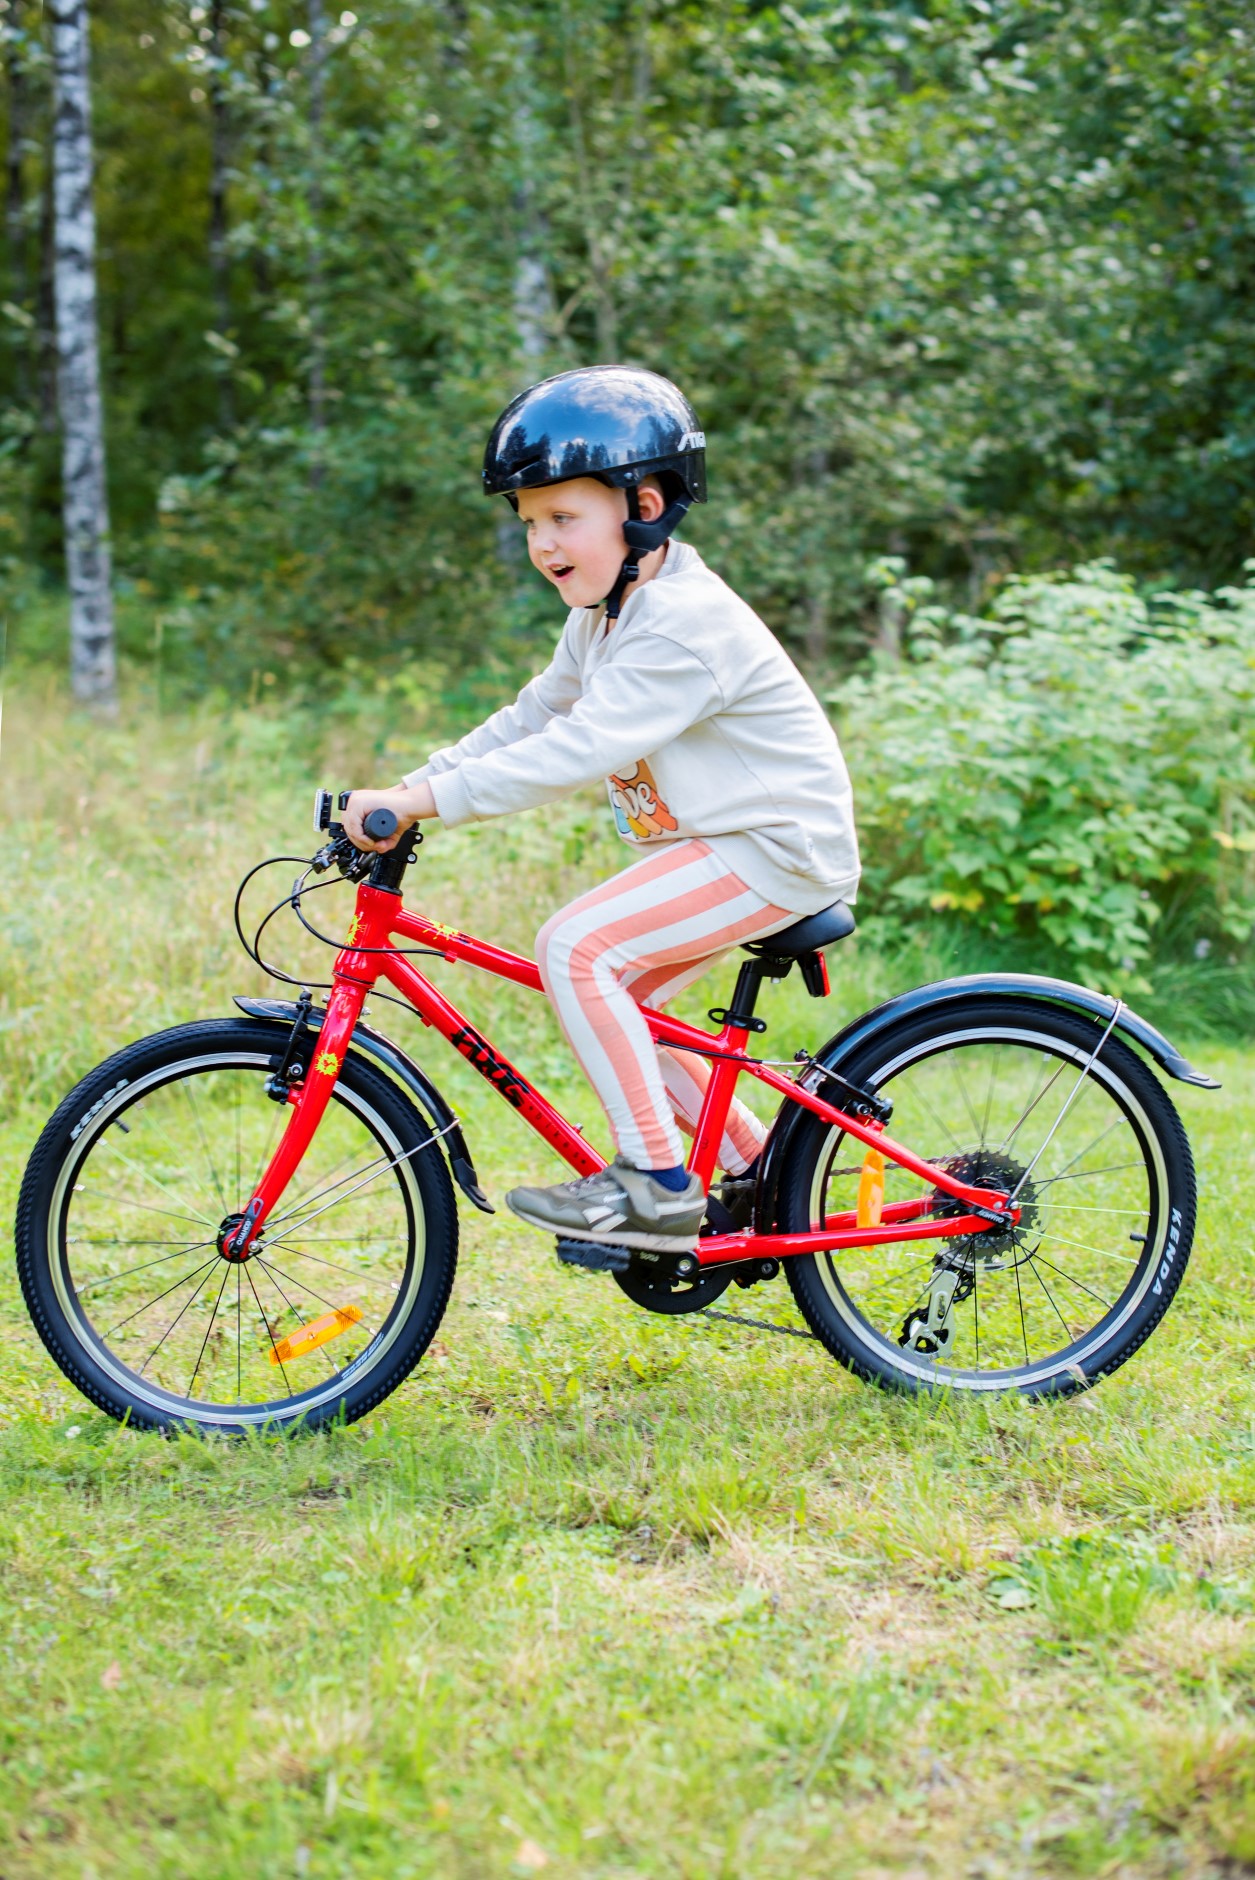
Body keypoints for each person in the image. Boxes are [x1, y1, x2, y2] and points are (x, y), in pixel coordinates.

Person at [343, 365, 860, 1257]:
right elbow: (532, 717)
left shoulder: (678, 624)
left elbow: (576, 750)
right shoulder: (606, 617)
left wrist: (423, 802)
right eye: (529, 524)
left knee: (578, 948)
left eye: (561, 518)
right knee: (626, 998)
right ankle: (753, 1172)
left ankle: (655, 1185)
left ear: (645, 506)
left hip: (775, 851)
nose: (542, 544)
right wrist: (411, 788)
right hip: (729, 847)